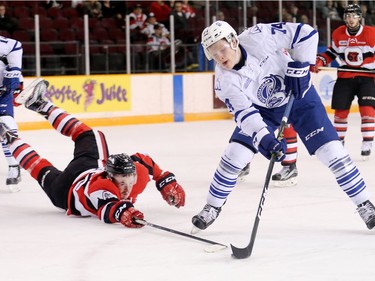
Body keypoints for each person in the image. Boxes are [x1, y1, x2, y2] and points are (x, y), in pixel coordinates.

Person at [191, 20, 375, 233]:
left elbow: (305, 33)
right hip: (263, 111)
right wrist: (264, 138)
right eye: (213, 54)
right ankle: (212, 206)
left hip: (301, 99)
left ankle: (365, 205)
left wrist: (302, 66)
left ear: (233, 41)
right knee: (235, 154)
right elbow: (245, 114)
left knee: (332, 152)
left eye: (221, 49)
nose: (220, 58)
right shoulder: (224, 81)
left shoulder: (258, 36)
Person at [0, 78, 185, 227]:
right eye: (121, 182)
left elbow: (145, 162)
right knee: (91, 135)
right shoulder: (102, 187)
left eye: (130, 180)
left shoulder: (139, 174)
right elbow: (106, 210)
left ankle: (9, 138)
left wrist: (164, 180)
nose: (127, 189)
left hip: (63, 194)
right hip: (85, 173)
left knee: (40, 167)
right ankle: (40, 105)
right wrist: (122, 213)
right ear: (109, 175)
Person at [311, 4, 375, 159]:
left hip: (367, 77)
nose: (351, 19)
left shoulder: (371, 33)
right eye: (348, 16)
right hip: (345, 76)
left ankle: (367, 142)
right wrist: (320, 61)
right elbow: (331, 52)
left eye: (354, 16)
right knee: (340, 113)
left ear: (360, 17)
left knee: (367, 111)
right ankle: (339, 143)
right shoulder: (338, 33)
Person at [0, 35, 23, 191]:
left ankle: (14, 166)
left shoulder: (8, 44)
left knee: (5, 124)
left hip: (2, 90)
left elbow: (16, 46)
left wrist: (13, 84)